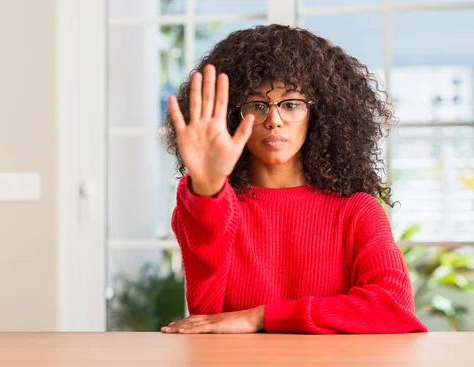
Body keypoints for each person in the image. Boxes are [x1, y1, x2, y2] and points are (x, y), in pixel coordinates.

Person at [160, 24, 428, 334]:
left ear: (321, 113)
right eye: (257, 105)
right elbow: (206, 300)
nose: (274, 121)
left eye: (290, 104)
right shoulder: (207, 204)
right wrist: (207, 185)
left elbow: (392, 307)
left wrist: (259, 317)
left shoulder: (356, 211)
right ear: (234, 115)